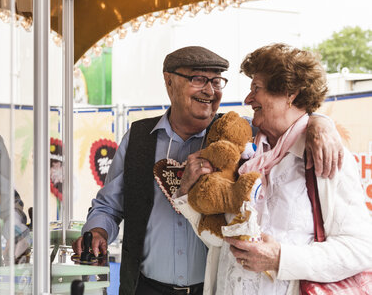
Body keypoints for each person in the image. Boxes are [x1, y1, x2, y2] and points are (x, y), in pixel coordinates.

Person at [72, 46, 343, 295]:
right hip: (145, 286)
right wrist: (98, 231)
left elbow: (290, 119)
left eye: (217, 81)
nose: (210, 90)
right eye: (198, 79)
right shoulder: (139, 137)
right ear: (169, 82)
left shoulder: (242, 133)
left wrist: (321, 123)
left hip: (212, 288)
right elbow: (108, 206)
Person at [174, 43, 372, 294]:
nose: (247, 99)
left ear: (290, 94)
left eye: (256, 88)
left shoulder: (325, 156)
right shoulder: (245, 154)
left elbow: (362, 248)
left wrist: (281, 258)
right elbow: (218, 241)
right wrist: (187, 195)